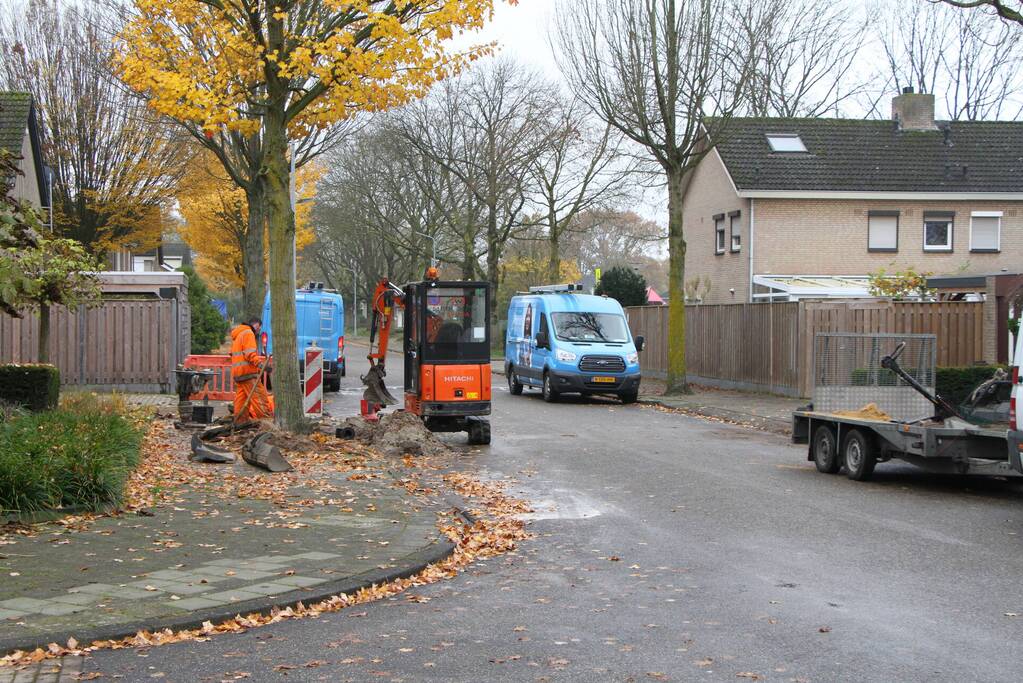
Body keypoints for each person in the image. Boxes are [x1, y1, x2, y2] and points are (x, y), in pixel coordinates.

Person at [230, 317, 274, 420]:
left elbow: (235, 354)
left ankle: (240, 422)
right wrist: (262, 366)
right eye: (259, 328)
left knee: (241, 399)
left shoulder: (239, 334)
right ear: (256, 325)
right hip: (247, 373)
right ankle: (266, 421)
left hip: (238, 373)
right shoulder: (249, 333)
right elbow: (250, 355)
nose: (259, 330)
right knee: (260, 397)